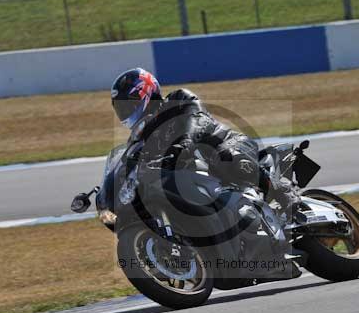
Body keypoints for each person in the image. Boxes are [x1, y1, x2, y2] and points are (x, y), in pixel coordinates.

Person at [110, 67, 300, 219]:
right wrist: (111, 189)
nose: (126, 111)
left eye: (128, 105)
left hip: (228, 144)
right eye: (121, 108)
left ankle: (283, 193)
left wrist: (184, 142)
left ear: (146, 93)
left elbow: (195, 120)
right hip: (197, 176)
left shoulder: (178, 99)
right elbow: (130, 161)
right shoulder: (141, 138)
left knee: (227, 158)